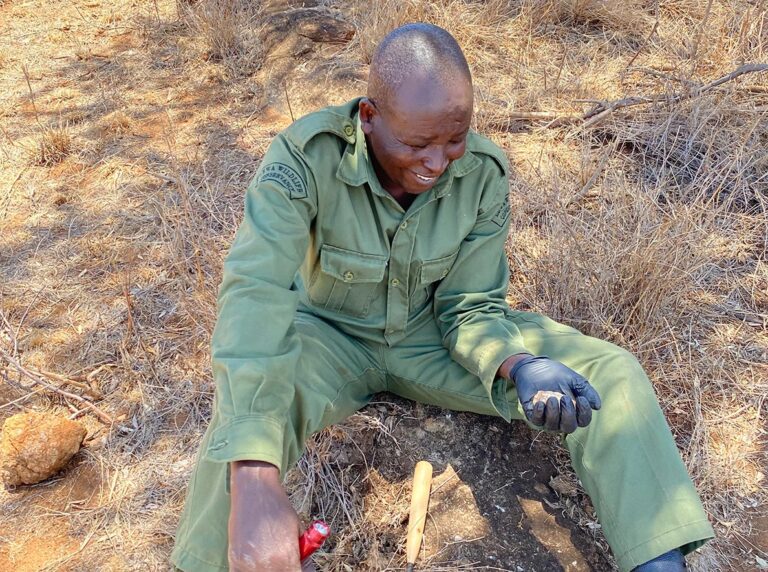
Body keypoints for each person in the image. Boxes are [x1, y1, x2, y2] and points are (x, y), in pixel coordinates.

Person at [171, 23, 714, 572]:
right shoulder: (304, 158)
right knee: (240, 435)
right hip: (327, 338)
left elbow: (469, 305)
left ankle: (658, 561)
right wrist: (255, 476)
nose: (436, 162)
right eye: (415, 145)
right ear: (369, 116)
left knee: (610, 375)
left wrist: (519, 364)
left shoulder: (482, 173)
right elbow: (255, 294)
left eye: (454, 140)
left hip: (430, 337)